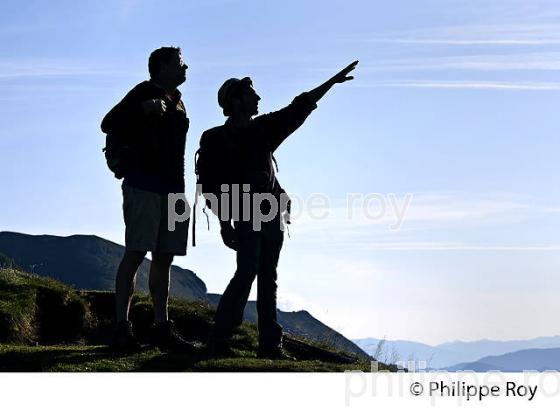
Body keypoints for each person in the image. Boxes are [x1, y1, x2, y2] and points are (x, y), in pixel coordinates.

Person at [198, 60, 358, 359]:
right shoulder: (216, 138)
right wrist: (224, 223)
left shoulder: (262, 128)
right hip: (247, 212)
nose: (258, 98)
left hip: (271, 212)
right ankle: (224, 339)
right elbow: (210, 185)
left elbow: (300, 106)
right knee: (249, 272)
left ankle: (265, 343)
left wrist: (330, 83)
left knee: (265, 275)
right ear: (235, 100)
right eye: (251, 95)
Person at [101, 47, 192, 351]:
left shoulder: (178, 102)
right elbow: (108, 123)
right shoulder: (143, 92)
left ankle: (161, 326)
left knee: (164, 258)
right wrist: (143, 110)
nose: (185, 67)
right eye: (180, 64)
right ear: (162, 66)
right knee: (137, 252)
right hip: (143, 184)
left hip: (173, 188)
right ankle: (121, 328)